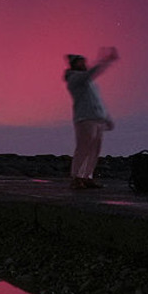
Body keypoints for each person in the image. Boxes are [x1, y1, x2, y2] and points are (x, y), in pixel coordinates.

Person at [64, 47, 119, 189]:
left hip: (97, 119)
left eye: (84, 61)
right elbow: (90, 74)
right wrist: (104, 61)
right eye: (80, 62)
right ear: (74, 64)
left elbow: (98, 101)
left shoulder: (90, 83)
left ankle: (87, 176)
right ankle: (76, 177)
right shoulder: (74, 78)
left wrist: (107, 117)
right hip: (85, 118)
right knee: (83, 147)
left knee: (95, 149)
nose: (83, 64)